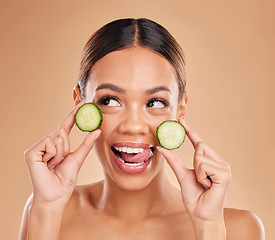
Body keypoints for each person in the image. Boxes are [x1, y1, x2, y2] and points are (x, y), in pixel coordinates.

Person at [19, 18, 265, 240]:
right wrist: (48, 208)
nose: (133, 126)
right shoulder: (44, 210)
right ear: (80, 105)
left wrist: (208, 227)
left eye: (155, 102)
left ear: (180, 109)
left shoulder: (239, 230)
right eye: (110, 100)